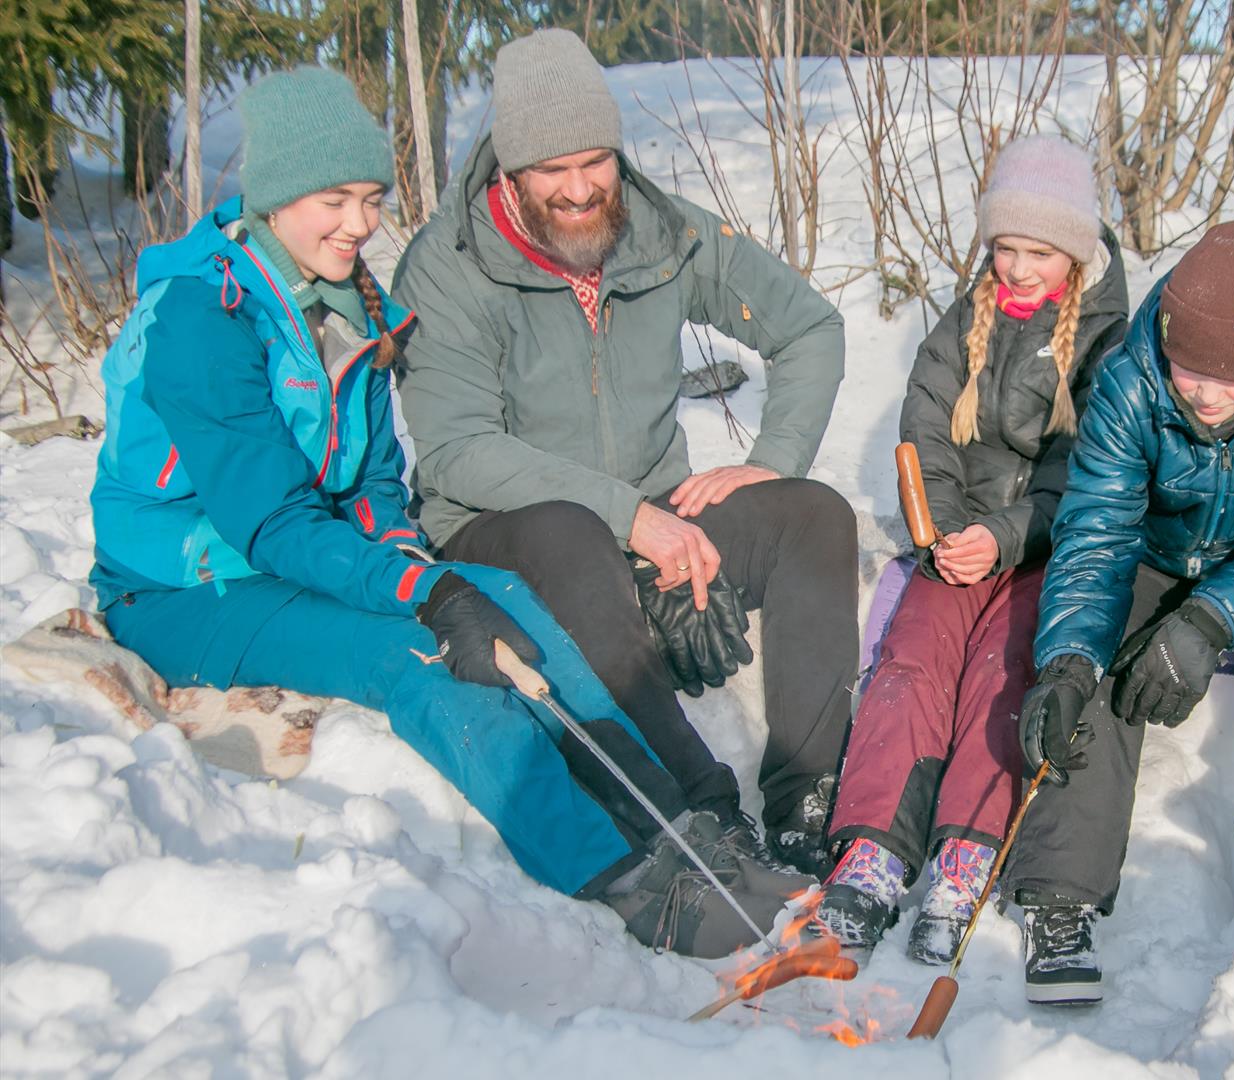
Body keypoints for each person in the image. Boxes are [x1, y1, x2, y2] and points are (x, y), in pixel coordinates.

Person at [88, 68, 797, 959]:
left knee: (506, 600)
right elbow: (266, 522)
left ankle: (678, 819)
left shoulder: (347, 304)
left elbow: (378, 481)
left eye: (372, 199)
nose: (359, 225)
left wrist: (421, 567)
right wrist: (422, 591)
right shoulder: (206, 317)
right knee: (415, 658)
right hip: (190, 586)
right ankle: (621, 875)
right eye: (333, 201)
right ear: (272, 201)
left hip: (299, 555)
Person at [393, 29, 856, 877]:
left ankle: (807, 798)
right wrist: (627, 516)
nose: (577, 190)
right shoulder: (450, 266)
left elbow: (809, 326)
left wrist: (773, 458)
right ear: (507, 171)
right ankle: (699, 808)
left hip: (644, 516)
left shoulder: (663, 235)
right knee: (569, 530)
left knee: (812, 517)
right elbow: (457, 450)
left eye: (594, 162)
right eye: (550, 170)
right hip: (508, 529)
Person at [1008, 220, 1234, 1004]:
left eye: (1226, 380)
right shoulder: (1130, 376)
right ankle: (1059, 896)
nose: (1199, 394)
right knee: (1091, 659)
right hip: (1154, 554)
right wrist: (1066, 662)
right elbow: (1098, 528)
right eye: (1185, 370)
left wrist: (1208, 622)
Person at [805, 137, 1130, 963]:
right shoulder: (970, 314)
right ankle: (874, 847)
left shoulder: (1105, 339)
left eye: (1040, 252)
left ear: (1078, 253)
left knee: (1001, 674)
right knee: (912, 661)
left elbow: (1091, 466)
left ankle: (966, 849)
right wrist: (943, 529)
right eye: (1004, 249)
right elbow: (926, 423)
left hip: (1043, 543)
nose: (1018, 269)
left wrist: (1009, 536)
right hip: (959, 539)